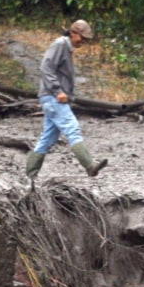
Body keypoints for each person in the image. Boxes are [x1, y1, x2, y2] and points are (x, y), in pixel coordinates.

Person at [26, 19, 108, 181]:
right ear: (72, 33)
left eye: (85, 39)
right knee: (72, 128)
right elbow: (45, 67)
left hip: (50, 97)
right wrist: (58, 91)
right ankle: (89, 166)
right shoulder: (60, 44)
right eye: (82, 38)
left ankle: (30, 176)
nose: (83, 42)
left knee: (48, 137)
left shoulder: (66, 47)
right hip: (54, 97)